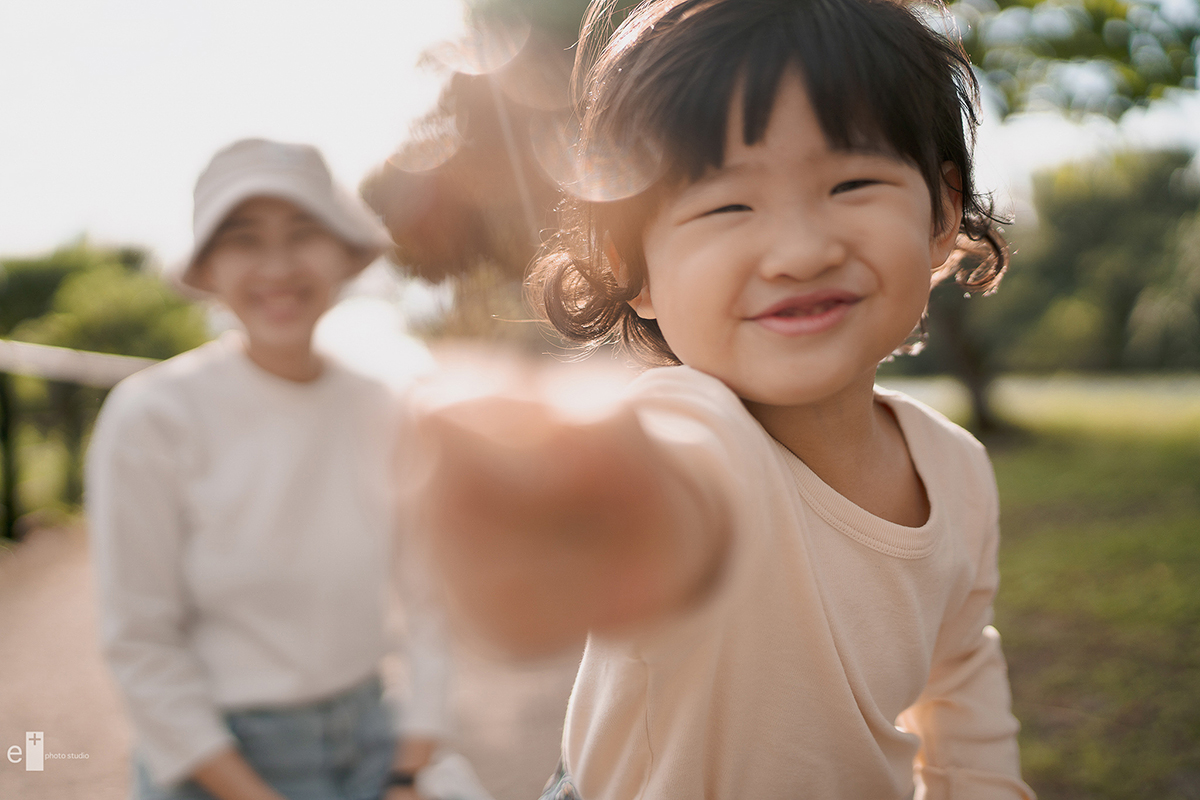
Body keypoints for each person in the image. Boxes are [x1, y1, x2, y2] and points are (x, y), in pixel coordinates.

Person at [409, 0, 1038, 798]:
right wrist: (570, 488)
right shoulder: (697, 428)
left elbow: (960, 680)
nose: (802, 250)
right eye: (728, 205)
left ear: (944, 212)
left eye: (851, 183)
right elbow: (676, 485)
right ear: (628, 262)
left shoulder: (956, 470)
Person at [87, 139, 454, 800]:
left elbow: (433, 599)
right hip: (219, 763)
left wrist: (408, 766)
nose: (277, 266)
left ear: (344, 252)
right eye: (244, 238)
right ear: (208, 268)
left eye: (304, 232)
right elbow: (140, 641)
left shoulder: (386, 406)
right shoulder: (151, 416)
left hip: (374, 742)